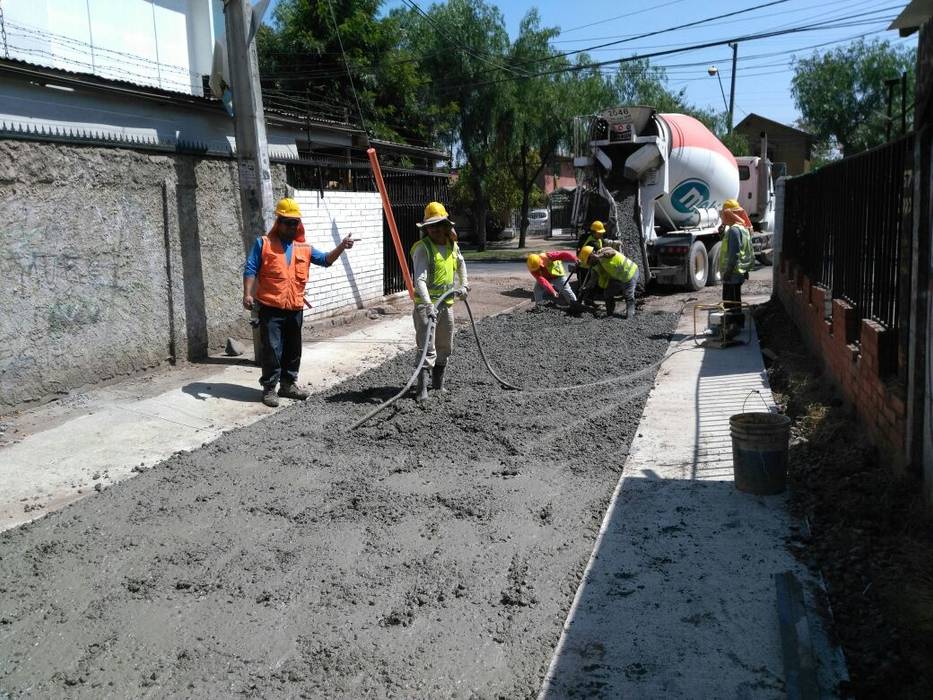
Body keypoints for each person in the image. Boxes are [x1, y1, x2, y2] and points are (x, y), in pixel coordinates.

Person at [243, 197, 355, 407]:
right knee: (272, 350)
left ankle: (288, 385)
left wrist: (341, 246)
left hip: (295, 308)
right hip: (270, 308)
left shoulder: (304, 248)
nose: (292, 226)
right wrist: (247, 294)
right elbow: (250, 268)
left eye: (295, 222)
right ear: (278, 222)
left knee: (293, 350)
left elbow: (326, 261)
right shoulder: (263, 244)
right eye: (287, 222)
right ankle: (269, 389)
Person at [411, 201, 469, 402]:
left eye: (439, 225)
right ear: (426, 228)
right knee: (427, 347)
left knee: (445, 345)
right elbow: (419, 279)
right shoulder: (422, 248)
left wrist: (464, 284)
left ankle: (438, 384)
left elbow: (461, 264)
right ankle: (422, 389)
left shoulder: (452, 246)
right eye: (431, 226)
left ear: (446, 226)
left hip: (446, 305)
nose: (435, 229)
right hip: (426, 308)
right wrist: (428, 305)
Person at [718, 198, 755, 339]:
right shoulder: (743, 228)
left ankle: (734, 327)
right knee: (736, 300)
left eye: (724, 214)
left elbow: (734, 253)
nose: (722, 216)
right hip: (738, 271)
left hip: (733, 272)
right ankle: (736, 325)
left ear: (729, 214)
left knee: (731, 301)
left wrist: (727, 272)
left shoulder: (734, 230)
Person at [580, 245, 639, 318]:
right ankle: (610, 315)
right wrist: (586, 287)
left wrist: (600, 256)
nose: (589, 263)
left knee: (628, 296)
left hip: (630, 272)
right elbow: (593, 279)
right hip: (617, 277)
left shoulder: (603, 251)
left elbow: (612, 252)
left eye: (588, 261)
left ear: (592, 255)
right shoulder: (595, 264)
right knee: (608, 293)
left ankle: (630, 317)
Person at [575, 220, 621, 302]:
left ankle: (589, 300)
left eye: (601, 232)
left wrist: (614, 243)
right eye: (599, 232)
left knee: (593, 284)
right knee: (583, 285)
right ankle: (577, 301)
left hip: (592, 265)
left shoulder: (598, 238)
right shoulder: (591, 242)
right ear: (593, 232)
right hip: (584, 266)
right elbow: (602, 251)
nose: (601, 234)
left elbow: (605, 242)